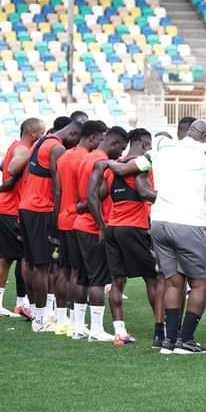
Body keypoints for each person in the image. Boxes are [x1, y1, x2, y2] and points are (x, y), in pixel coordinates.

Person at [107, 120, 206, 355]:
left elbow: (125, 169)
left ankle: (169, 340)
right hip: (189, 222)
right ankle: (185, 340)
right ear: (205, 137)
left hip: (159, 221)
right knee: (200, 282)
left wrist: (104, 161)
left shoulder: (162, 149)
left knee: (173, 281)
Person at [94, 128, 160, 346]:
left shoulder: (115, 166)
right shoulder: (141, 164)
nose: (150, 149)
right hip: (134, 228)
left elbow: (98, 194)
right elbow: (143, 192)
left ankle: (119, 332)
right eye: (148, 144)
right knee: (152, 278)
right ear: (142, 142)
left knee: (117, 281)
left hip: (113, 227)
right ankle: (162, 329)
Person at [18, 116, 83, 331]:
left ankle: (37, 316)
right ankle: (41, 319)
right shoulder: (57, 148)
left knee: (34, 264)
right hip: (41, 210)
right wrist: (58, 217)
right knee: (44, 267)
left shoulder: (42, 141)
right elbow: (58, 188)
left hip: (27, 207)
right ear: (73, 134)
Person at [52, 119, 106, 336]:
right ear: (92, 137)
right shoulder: (86, 159)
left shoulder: (65, 156)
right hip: (78, 219)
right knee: (79, 273)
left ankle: (63, 317)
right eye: (100, 139)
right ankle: (77, 323)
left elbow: (58, 189)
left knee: (64, 270)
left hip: (63, 218)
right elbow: (88, 194)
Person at [74, 125, 128, 342]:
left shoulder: (87, 158)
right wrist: (101, 227)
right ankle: (96, 330)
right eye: (121, 148)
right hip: (92, 227)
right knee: (98, 279)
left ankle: (79, 326)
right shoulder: (102, 162)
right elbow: (94, 196)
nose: (122, 154)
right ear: (113, 143)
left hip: (80, 225)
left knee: (82, 278)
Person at [0, 117, 43, 318]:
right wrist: (10, 183)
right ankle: (23, 303)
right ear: (33, 133)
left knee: (7, 257)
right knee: (24, 257)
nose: (44, 136)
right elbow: (10, 168)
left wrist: (7, 183)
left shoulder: (14, 146)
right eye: (42, 132)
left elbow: (2, 166)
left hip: (3, 208)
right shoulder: (23, 150)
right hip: (10, 210)